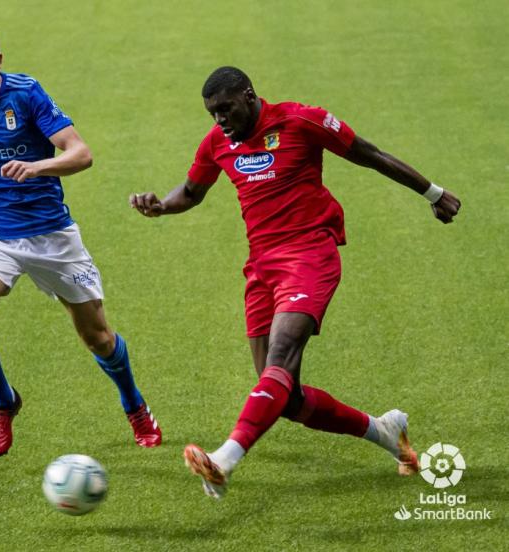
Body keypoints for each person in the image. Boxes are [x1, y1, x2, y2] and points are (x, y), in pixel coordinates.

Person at [130, 66, 460, 498]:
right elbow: (191, 191)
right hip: (261, 269)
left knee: (280, 359)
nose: (220, 120)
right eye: (212, 113)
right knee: (285, 398)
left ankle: (225, 460)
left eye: (226, 109)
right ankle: (385, 431)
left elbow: (369, 153)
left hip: (310, 255)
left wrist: (433, 194)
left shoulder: (300, 120)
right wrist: (161, 206)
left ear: (249, 95)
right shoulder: (218, 143)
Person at [0, 25, 161, 457]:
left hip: (51, 234)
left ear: (0, 60)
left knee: (97, 336)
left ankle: (134, 404)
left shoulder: (27, 95)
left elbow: (81, 154)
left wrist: (37, 167)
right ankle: (4, 401)